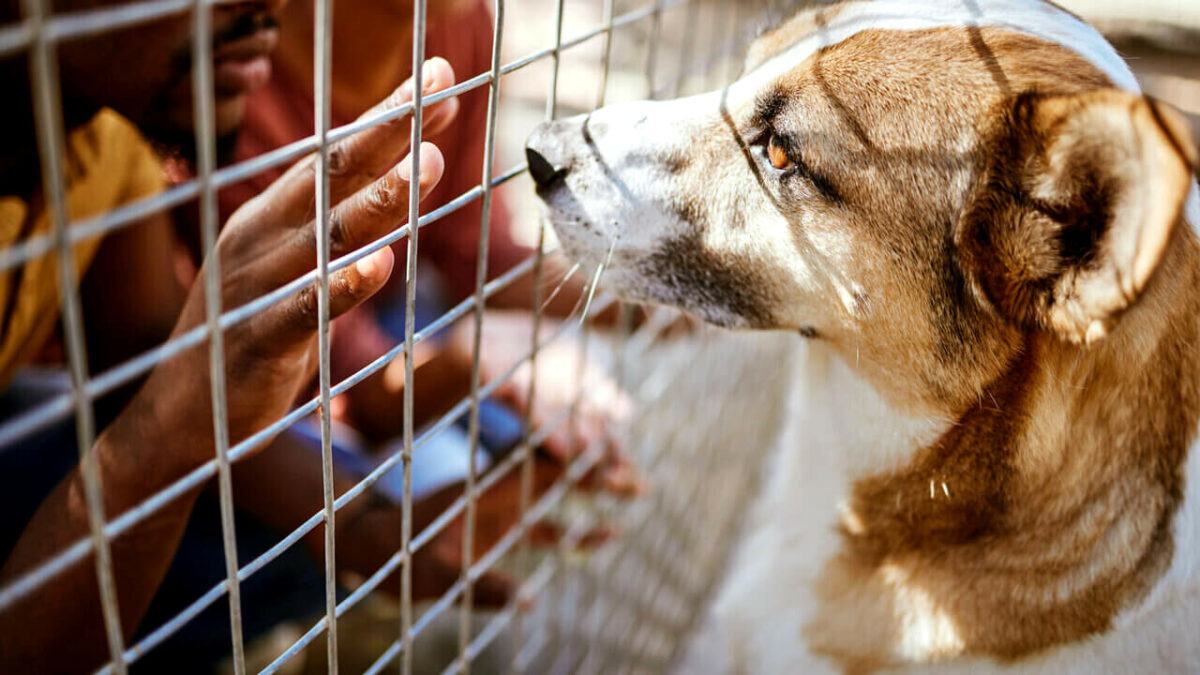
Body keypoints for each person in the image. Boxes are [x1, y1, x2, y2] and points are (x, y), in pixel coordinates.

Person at [0, 2, 635, 672]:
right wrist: (466, 362)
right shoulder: (227, 91)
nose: (268, 11)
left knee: (323, 533)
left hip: (386, 337)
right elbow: (225, 400)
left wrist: (369, 531)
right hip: (360, 365)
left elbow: (152, 368)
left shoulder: (116, 141)